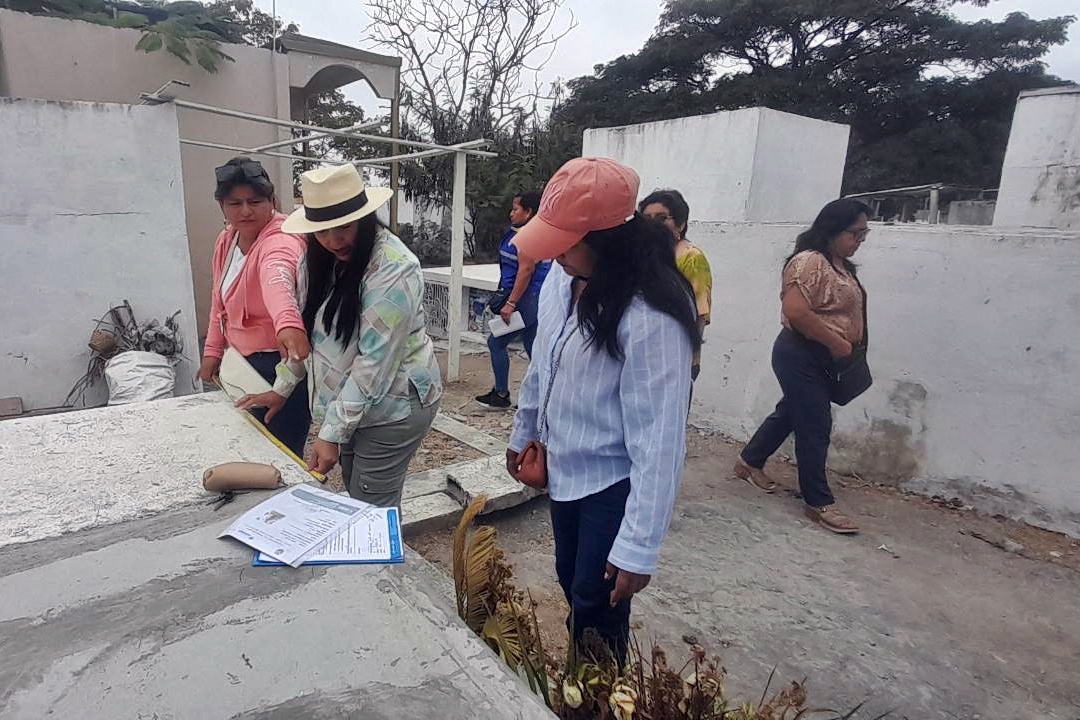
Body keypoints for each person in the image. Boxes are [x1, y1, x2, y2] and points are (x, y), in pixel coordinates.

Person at [505, 158, 701, 663]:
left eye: (566, 244)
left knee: (598, 602)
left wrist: (639, 545)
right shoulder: (562, 279)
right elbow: (543, 361)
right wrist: (523, 431)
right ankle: (583, 676)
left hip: (611, 482)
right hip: (564, 469)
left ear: (606, 240)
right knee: (571, 579)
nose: (555, 255)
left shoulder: (650, 313)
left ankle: (597, 690)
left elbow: (660, 438)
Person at [237, 164, 443, 509]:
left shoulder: (394, 267)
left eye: (344, 227)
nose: (333, 241)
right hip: (350, 402)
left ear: (365, 219)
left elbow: (374, 363)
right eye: (322, 231)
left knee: (371, 506)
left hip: (393, 405)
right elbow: (307, 337)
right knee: (355, 487)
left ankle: (385, 547)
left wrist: (331, 433)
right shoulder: (316, 260)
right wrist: (281, 389)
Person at [734, 199, 872, 534]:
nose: (859, 241)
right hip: (800, 353)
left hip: (826, 356)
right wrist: (836, 341)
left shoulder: (841, 265)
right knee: (815, 423)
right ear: (833, 229)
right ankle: (818, 500)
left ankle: (749, 461)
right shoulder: (810, 262)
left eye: (864, 234)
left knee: (792, 411)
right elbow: (796, 311)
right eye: (855, 233)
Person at [198, 156, 311, 457]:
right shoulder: (227, 240)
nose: (245, 211)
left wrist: (287, 323)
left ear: (271, 201)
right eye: (235, 203)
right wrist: (212, 352)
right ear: (222, 206)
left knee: (281, 458)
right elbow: (218, 301)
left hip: (281, 364)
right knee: (245, 453)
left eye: (255, 201)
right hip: (239, 365)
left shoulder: (282, 239)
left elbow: (277, 277)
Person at [475, 191, 549, 408]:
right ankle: (542, 397)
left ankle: (501, 394)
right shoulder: (522, 233)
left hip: (527, 299)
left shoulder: (529, 236)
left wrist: (511, 303)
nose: (511, 213)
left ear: (529, 212)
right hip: (531, 299)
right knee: (533, 346)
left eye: (516, 209)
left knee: (496, 342)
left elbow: (526, 270)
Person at [639, 189, 712, 381]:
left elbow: (700, 314)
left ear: (680, 224)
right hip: (645, 354)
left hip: (677, 358)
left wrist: (687, 355)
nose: (653, 224)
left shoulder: (691, 257)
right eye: (646, 218)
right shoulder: (642, 255)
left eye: (662, 218)